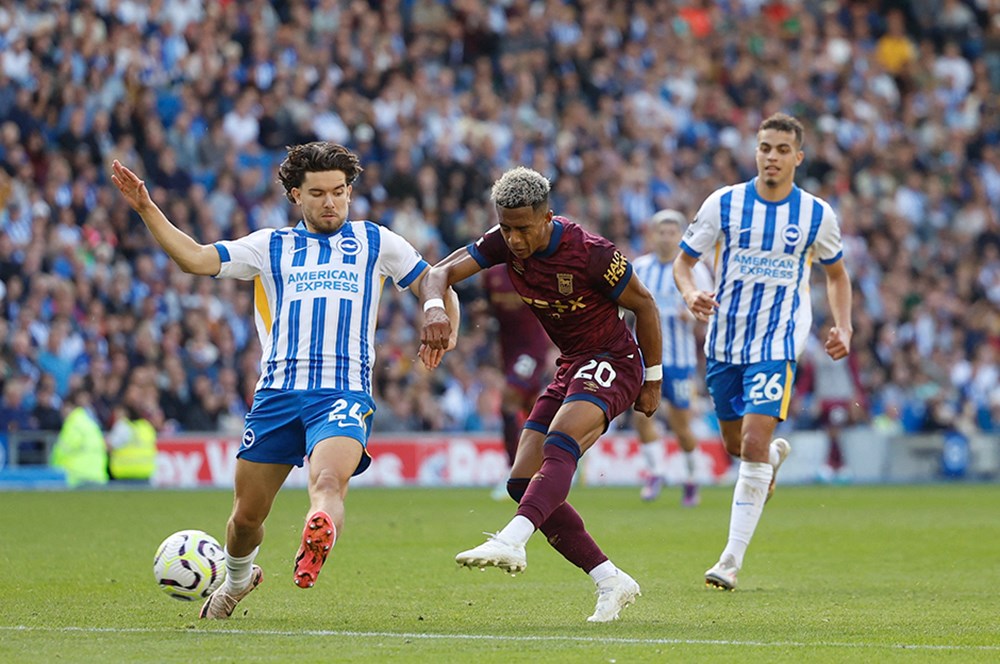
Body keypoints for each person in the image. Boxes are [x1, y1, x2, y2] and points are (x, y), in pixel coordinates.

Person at [111, 142, 459, 619]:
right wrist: (147, 208)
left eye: (339, 191)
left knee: (329, 482)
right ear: (296, 194)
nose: (331, 202)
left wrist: (442, 321)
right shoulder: (269, 246)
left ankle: (318, 529)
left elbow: (434, 280)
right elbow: (194, 258)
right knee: (245, 518)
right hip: (277, 395)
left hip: (342, 392)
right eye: (318, 193)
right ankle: (237, 580)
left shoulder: (377, 242)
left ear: (350, 192)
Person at [421, 166, 663, 623]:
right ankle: (610, 579)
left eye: (523, 228)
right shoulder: (500, 241)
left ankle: (512, 539)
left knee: (560, 442)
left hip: (614, 359)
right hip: (572, 364)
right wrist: (435, 309)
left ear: (547, 217)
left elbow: (645, 305)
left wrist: (653, 380)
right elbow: (439, 274)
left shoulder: (591, 253)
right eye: (506, 227)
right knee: (520, 482)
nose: (513, 239)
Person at [674, 113, 853, 591]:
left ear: (798, 156)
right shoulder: (724, 204)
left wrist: (844, 326)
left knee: (751, 442)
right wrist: (691, 293)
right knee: (738, 447)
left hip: (777, 342)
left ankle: (730, 560)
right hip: (724, 342)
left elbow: (836, 274)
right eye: (764, 148)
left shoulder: (817, 215)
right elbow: (684, 263)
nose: (770, 157)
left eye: (780, 149)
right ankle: (768, 462)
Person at [631, 209, 713, 506]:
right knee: (640, 416)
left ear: (680, 236)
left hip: (679, 361)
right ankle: (655, 472)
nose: (666, 238)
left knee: (680, 425)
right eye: (661, 233)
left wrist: (692, 313)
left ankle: (692, 479)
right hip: (645, 359)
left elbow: (710, 309)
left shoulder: (693, 270)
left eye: (671, 233)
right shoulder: (640, 268)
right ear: (652, 235)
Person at [480, 264, 552, 498]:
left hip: (532, 348)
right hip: (509, 351)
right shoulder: (491, 275)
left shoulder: (534, 271)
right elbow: (490, 310)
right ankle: (561, 455)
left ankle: (514, 472)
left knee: (508, 402)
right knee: (532, 410)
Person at [49, 387, 109, 488]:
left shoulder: (73, 424)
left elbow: (62, 451)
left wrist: (53, 469)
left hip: (78, 475)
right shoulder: (90, 423)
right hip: (97, 475)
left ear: (69, 407)